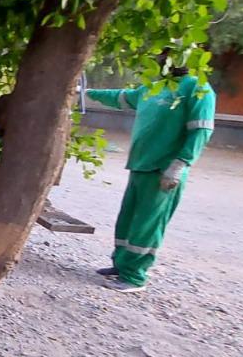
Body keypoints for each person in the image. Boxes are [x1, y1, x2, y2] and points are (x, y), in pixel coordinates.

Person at [85, 54, 216, 293]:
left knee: (148, 224)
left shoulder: (198, 88)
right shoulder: (154, 88)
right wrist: (87, 92)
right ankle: (122, 265)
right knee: (129, 219)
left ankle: (135, 276)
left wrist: (179, 166)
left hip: (163, 170)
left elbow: (201, 132)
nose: (162, 59)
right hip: (141, 165)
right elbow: (121, 98)